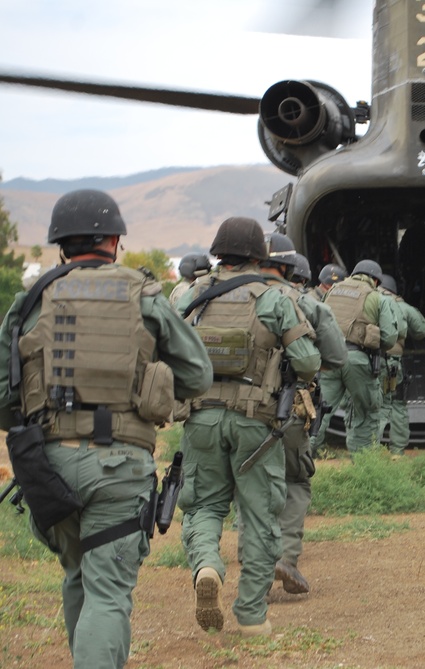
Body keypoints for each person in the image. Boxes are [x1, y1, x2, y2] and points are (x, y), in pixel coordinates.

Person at [0, 189, 213, 668]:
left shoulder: (30, 300)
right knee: (108, 592)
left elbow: (1, 396)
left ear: (61, 246)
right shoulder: (143, 293)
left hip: (48, 467)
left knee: (79, 574)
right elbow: (197, 374)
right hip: (119, 465)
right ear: (115, 240)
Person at [176, 217, 321, 637]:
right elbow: (309, 362)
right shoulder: (273, 298)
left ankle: (207, 566)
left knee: (203, 506)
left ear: (218, 253)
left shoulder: (193, 295)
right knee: (259, 516)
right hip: (255, 423)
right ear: (259, 256)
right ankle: (252, 617)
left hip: (200, 417)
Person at [258, 235, 348, 595]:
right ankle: (286, 557)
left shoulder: (229, 296)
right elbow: (337, 356)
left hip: (239, 410)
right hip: (290, 406)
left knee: (254, 489)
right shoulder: (306, 302)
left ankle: (258, 574)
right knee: (295, 481)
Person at [319, 259, 398, 455]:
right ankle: (362, 467)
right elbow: (389, 338)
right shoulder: (377, 297)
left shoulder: (332, 290)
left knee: (318, 412)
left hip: (328, 359)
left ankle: (299, 463)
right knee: (366, 414)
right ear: (375, 281)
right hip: (358, 360)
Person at [376, 274, 425, 456]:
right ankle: (397, 451)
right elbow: (422, 330)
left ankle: (370, 450)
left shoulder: (368, 301)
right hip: (392, 364)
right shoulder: (401, 305)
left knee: (375, 405)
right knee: (396, 403)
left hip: (369, 362)